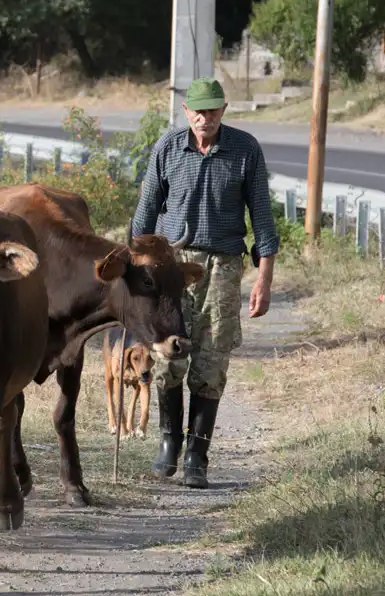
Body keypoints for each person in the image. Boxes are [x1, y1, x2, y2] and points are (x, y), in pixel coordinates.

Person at [130, 77, 279, 489]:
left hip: (224, 266)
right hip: (171, 266)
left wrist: (264, 278)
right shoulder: (167, 148)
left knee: (211, 358)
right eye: (198, 110)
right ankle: (168, 442)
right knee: (168, 353)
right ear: (185, 112)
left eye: (212, 110)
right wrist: (134, 277)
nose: (205, 117)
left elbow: (263, 220)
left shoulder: (245, 150)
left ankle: (197, 453)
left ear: (223, 110)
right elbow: (143, 220)